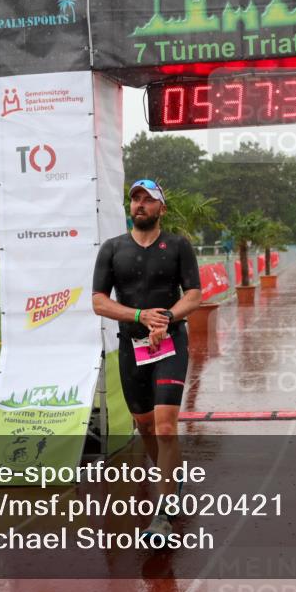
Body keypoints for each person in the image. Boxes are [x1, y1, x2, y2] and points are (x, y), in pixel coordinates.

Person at [91, 178, 202, 542]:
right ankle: (174, 478)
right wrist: (140, 317)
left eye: (148, 199)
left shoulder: (178, 246)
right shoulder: (112, 249)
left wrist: (166, 318)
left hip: (170, 342)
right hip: (131, 347)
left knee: (166, 426)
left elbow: (195, 295)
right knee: (145, 426)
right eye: (135, 198)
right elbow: (98, 302)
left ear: (161, 208)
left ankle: (164, 510)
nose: (140, 204)